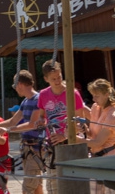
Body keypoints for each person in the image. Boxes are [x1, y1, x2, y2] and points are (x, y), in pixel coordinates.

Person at [37, 60, 87, 194]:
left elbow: (80, 123)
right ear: (46, 79)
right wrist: (40, 121)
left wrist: (64, 135)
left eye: (59, 77)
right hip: (52, 145)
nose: (57, 81)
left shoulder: (73, 93)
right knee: (53, 186)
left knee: (73, 185)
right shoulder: (43, 94)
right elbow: (42, 115)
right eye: (53, 79)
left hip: (71, 144)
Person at [0, 70, 47, 194]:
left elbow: (32, 124)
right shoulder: (25, 101)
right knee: (36, 186)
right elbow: (13, 121)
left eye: (15, 85)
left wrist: (8, 130)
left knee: (27, 188)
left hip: (36, 149)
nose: (15, 89)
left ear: (20, 84)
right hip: (27, 149)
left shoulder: (38, 99)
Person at [82, 79, 115, 194]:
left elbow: (98, 142)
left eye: (97, 96)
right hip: (95, 158)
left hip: (111, 159)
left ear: (106, 94)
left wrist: (76, 140)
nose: (93, 99)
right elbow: (92, 133)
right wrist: (83, 129)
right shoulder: (95, 107)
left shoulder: (113, 115)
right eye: (93, 95)